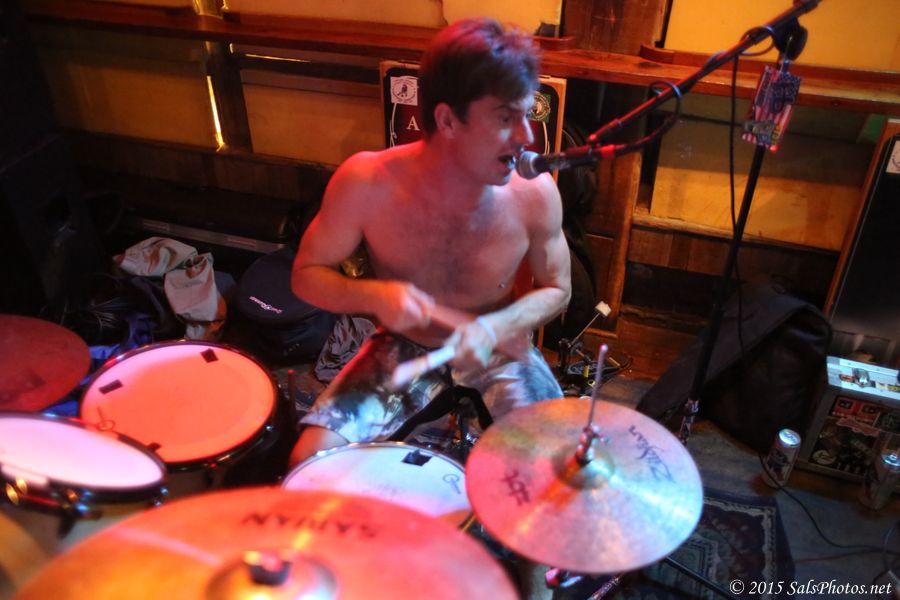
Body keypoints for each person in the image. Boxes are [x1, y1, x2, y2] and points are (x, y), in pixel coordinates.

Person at [288, 17, 571, 467]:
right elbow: (306, 274)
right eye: (505, 118)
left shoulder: (534, 192)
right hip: (403, 342)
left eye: (525, 114)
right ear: (447, 120)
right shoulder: (366, 181)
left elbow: (558, 287)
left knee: (557, 473)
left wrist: (497, 326)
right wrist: (373, 295)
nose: (528, 137)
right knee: (309, 462)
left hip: (499, 347)